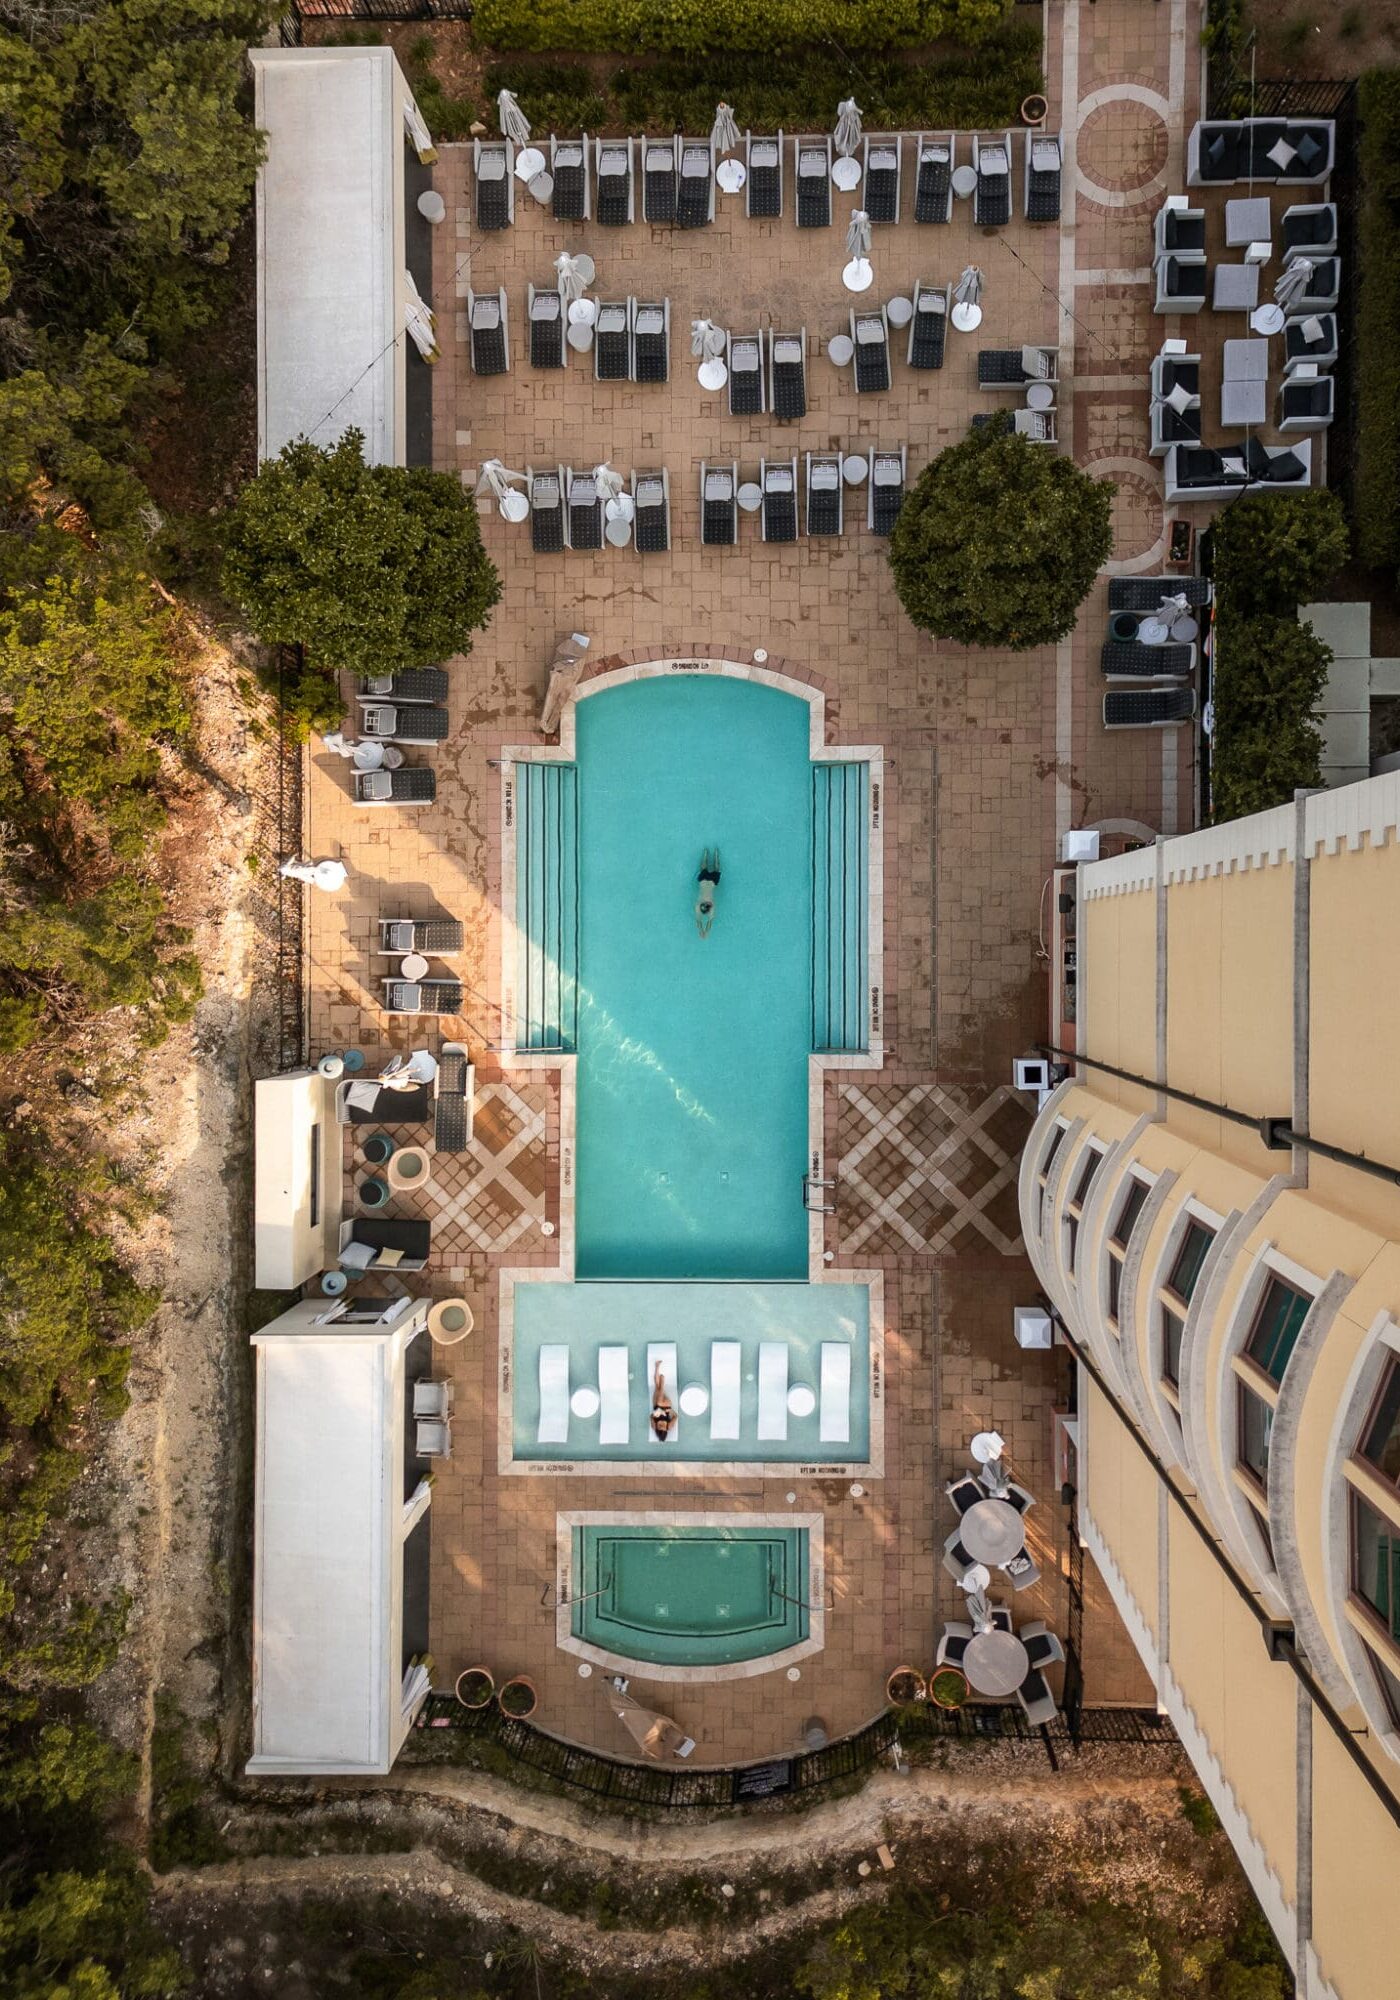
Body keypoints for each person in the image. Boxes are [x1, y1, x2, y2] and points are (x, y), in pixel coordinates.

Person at [694, 848, 721, 938]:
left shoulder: (711, 907)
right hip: (704, 881)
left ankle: (716, 855)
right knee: (703, 868)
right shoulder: (698, 905)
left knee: (716, 869)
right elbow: (700, 922)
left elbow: (707, 922)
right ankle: (706, 854)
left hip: (712, 882)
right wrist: (703, 931)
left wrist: (704, 931)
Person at [651, 1364, 676, 1443]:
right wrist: (669, 1410)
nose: (661, 1426)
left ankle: (657, 1367)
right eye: (663, 1428)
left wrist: (655, 1413)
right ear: (666, 1431)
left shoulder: (654, 1426)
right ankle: (662, 1384)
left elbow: (651, 1416)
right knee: (659, 1401)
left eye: (660, 1427)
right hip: (666, 1405)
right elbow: (676, 1416)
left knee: (656, 1386)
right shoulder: (669, 1426)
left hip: (656, 1406)